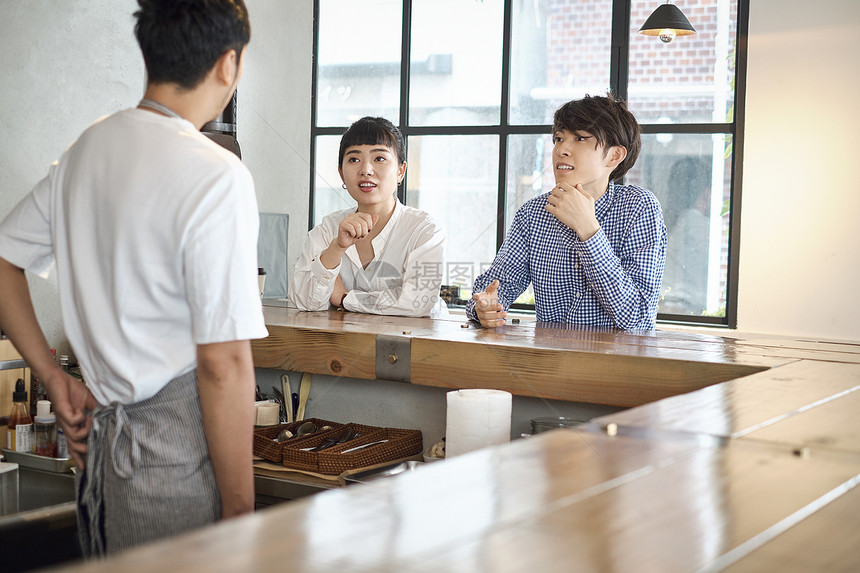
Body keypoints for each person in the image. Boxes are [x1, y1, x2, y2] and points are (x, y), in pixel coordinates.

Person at [0, 0, 266, 556]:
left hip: (101, 455)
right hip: (172, 463)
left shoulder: (86, 149)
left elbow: (3, 259)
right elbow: (223, 363)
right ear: (228, 65)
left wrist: (53, 376)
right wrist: (242, 512)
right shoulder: (217, 174)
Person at [467, 94, 666, 330]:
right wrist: (484, 309)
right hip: (552, 362)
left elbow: (637, 317)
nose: (562, 149)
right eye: (559, 138)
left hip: (619, 364)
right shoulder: (533, 214)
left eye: (580, 138)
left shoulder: (639, 207)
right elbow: (493, 289)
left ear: (614, 155)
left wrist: (588, 229)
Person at [289, 117, 448, 318]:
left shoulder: (425, 230)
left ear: (401, 171)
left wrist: (345, 298)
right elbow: (303, 301)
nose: (365, 170)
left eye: (379, 158)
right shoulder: (329, 228)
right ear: (341, 173)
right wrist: (336, 248)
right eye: (354, 159)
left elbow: (418, 302)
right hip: (343, 344)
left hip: (416, 344)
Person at [660, 156, 711, 315]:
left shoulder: (667, 222)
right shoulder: (701, 226)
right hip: (683, 309)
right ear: (706, 194)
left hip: (662, 306)